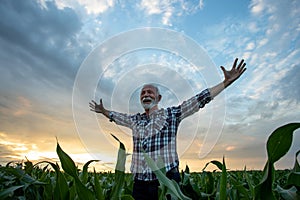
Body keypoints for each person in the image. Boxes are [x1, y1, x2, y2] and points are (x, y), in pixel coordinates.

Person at [89, 58, 246, 200]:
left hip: (166, 181)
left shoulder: (172, 114)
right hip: (140, 183)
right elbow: (117, 116)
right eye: (143, 93)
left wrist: (225, 83)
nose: (145, 94)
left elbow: (199, 100)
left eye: (150, 92)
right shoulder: (135, 120)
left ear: (158, 98)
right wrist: (103, 111)